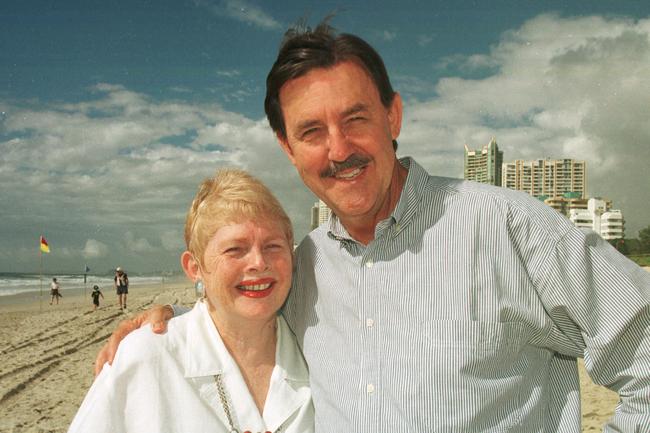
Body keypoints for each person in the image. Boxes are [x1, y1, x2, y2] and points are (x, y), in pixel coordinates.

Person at [96, 20, 650, 432]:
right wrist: (167, 323)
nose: (339, 149)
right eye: (311, 131)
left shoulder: (507, 228)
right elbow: (242, 311)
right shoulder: (304, 267)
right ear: (288, 148)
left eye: (356, 118)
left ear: (394, 116)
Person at [72, 169, 313, 432]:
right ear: (194, 267)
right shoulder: (144, 357)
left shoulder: (316, 355)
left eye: (273, 246)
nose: (258, 262)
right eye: (235, 249)